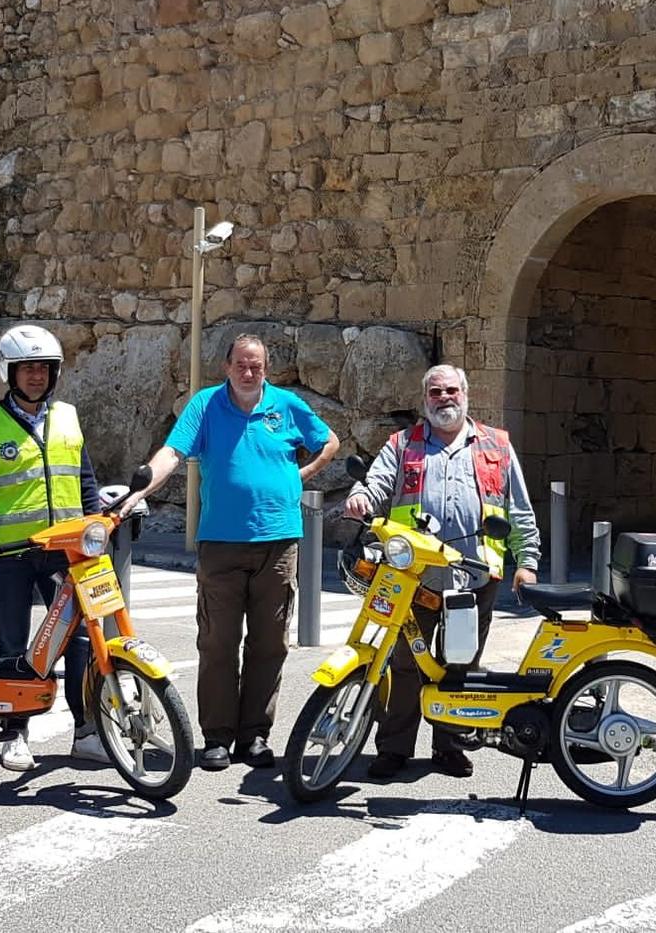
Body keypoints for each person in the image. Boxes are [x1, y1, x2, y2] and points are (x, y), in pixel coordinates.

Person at [120, 334, 340, 771]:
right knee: (218, 642)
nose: (248, 371)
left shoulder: (286, 405)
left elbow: (328, 441)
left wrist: (304, 473)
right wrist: (140, 489)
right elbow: (172, 453)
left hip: (278, 543)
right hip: (220, 542)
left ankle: (255, 736)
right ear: (227, 366)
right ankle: (217, 737)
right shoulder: (206, 405)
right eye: (241, 363)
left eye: (256, 364)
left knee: (270, 643)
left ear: (266, 367)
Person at [342, 364, 542, 779]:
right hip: (413, 576)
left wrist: (528, 562)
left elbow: (518, 509)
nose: (444, 398)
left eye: (451, 390)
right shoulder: (403, 444)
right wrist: (361, 497)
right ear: (425, 399)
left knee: (461, 663)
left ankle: (449, 746)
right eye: (435, 392)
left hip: (473, 576)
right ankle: (394, 748)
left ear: (466, 394)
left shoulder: (497, 445)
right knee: (402, 665)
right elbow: (377, 483)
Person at [0, 324, 107, 771]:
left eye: (44, 368)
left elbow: (85, 481)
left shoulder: (69, 418)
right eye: (27, 369)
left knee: (80, 639)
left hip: (65, 551)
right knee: (12, 642)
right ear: (11, 372)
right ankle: (14, 732)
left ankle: (85, 731)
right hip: (9, 554)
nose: (36, 376)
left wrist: (94, 526)